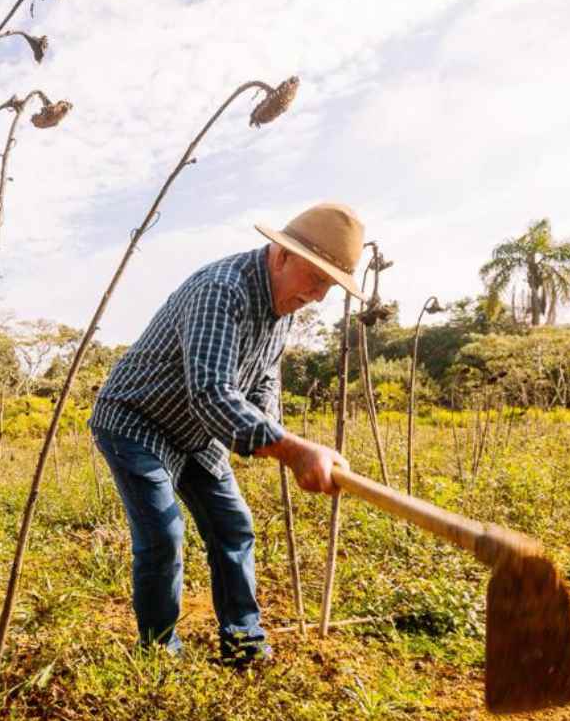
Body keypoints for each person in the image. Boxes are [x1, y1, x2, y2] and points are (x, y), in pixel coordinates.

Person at [88, 203, 366, 666]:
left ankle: (244, 644)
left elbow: (263, 379)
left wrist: (277, 434)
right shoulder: (223, 290)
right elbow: (213, 394)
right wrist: (294, 451)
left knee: (233, 526)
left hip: (198, 433)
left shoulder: (285, 308)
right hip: (137, 420)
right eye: (315, 280)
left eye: (329, 287)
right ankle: (158, 656)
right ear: (281, 255)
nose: (317, 296)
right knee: (163, 534)